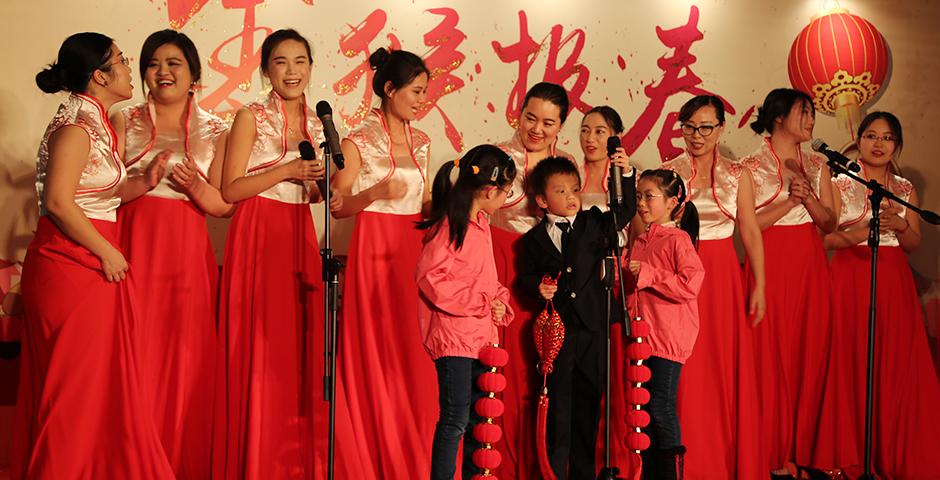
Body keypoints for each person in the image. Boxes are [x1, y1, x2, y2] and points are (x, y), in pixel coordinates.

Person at [14, 32, 174, 478]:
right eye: (121, 61)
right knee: (73, 390)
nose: (130, 70)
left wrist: (143, 181)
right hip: (70, 262)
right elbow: (61, 203)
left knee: (96, 387)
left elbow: (96, 195)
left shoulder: (98, 121)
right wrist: (106, 250)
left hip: (87, 255)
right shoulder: (74, 127)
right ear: (100, 76)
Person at [214, 28, 338, 480]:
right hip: (259, 231)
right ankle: (257, 458)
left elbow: (320, 194)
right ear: (266, 69)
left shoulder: (320, 120)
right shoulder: (250, 116)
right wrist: (287, 169)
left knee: (298, 346)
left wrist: (319, 183)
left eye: (300, 61)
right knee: (261, 347)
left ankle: (295, 460)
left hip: (299, 232)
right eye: (281, 62)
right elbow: (230, 188)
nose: (292, 71)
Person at [113, 29, 231, 479]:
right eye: (153, 63)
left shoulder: (215, 128)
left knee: (184, 357)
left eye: (173, 63)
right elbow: (103, 190)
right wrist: (141, 180)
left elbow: (224, 204)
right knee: (134, 352)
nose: (162, 72)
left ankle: (179, 459)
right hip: (132, 245)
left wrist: (195, 186)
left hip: (186, 253)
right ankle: (132, 457)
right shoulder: (124, 119)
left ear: (194, 74)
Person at [810, 112, 940, 479]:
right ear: (859, 142)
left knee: (895, 363)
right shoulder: (839, 183)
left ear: (896, 146)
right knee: (850, 361)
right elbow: (825, 238)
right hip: (850, 276)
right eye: (870, 136)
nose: (878, 144)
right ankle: (849, 453)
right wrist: (860, 232)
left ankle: (895, 451)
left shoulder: (904, 189)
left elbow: (913, 244)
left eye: (886, 138)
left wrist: (899, 225)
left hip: (893, 281)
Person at [329, 47, 437, 478]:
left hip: (414, 250)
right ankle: (378, 449)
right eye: (415, 91)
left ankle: (417, 452)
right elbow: (338, 205)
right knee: (378, 348)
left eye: (425, 92)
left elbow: (426, 200)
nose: (421, 99)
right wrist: (374, 194)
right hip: (374, 250)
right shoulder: (358, 139)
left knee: (414, 352)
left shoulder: (423, 141)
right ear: (389, 89)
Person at [660, 95, 766, 479]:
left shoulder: (738, 175)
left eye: (706, 127)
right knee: (685, 369)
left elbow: (751, 231)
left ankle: (721, 458)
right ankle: (686, 459)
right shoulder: (668, 173)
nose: (697, 135)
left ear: (721, 128)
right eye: (689, 127)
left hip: (721, 278)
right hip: (680, 276)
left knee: (721, 367)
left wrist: (760, 285)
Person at [517, 155, 634, 479]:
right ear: (542, 200)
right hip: (557, 334)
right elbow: (523, 278)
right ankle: (553, 473)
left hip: (593, 330)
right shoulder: (533, 240)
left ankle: (583, 474)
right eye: (561, 191)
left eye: (575, 189)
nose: (571, 197)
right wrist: (537, 287)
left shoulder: (594, 222)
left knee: (587, 409)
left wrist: (625, 174)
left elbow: (624, 212)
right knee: (558, 411)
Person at [741, 88, 836, 479]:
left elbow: (829, 222)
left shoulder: (819, 164)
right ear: (779, 116)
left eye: (813, 112)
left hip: (810, 264)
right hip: (770, 262)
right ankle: (770, 450)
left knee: (808, 352)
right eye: (804, 112)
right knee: (769, 354)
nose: (811, 119)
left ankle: (804, 450)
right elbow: (747, 226)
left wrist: (809, 200)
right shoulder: (748, 165)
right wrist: (789, 203)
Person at [415, 144, 517, 480]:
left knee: (478, 420)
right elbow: (431, 279)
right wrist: (480, 302)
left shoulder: (481, 223)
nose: (506, 196)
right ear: (490, 189)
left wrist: (498, 299)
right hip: (455, 339)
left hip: (481, 338)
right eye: (506, 190)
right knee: (455, 418)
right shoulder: (451, 224)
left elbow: (486, 278)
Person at [489, 82, 574, 479]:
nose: (537, 129)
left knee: (537, 366)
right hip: (499, 262)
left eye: (549, 122)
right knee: (497, 363)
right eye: (530, 118)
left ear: (561, 126)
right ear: (518, 113)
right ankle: (495, 462)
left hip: (546, 273)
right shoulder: (496, 157)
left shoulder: (566, 164)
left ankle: (537, 462)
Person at [626, 169, 705, 480]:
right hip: (643, 337)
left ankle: (670, 475)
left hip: (668, 338)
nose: (642, 203)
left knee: (660, 406)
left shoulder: (678, 239)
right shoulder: (642, 240)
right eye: (639, 197)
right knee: (643, 410)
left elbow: (690, 283)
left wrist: (648, 274)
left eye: (649, 197)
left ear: (672, 202)